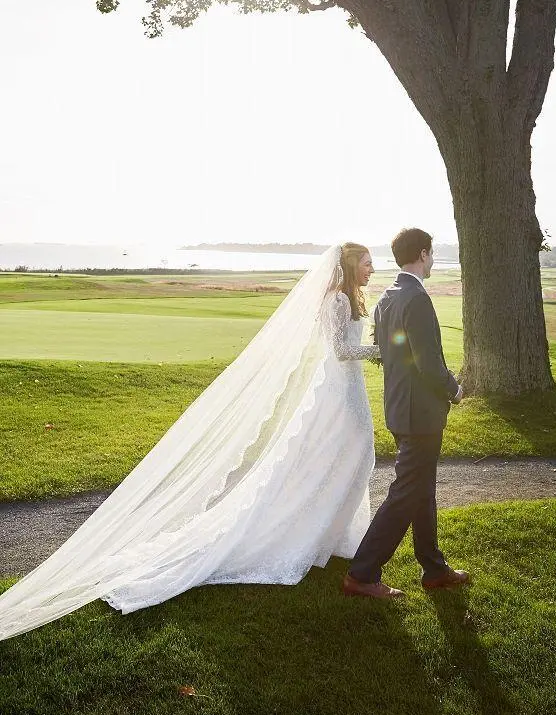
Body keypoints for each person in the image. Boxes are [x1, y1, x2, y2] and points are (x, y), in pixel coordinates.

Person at [0, 243, 379, 641]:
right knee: (345, 456)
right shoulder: (337, 300)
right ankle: (315, 533)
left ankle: (333, 533)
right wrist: (380, 349)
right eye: (367, 262)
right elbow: (340, 350)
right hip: (339, 392)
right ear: (351, 265)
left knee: (348, 457)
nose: (372, 268)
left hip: (346, 391)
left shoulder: (350, 299)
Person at [343, 227, 469, 600]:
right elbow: (427, 363)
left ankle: (434, 569)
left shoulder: (388, 296)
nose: (432, 260)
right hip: (420, 415)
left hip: (400, 409)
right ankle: (362, 573)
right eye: (432, 254)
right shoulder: (416, 298)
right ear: (423, 254)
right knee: (404, 494)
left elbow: (388, 354)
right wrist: (454, 389)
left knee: (421, 490)